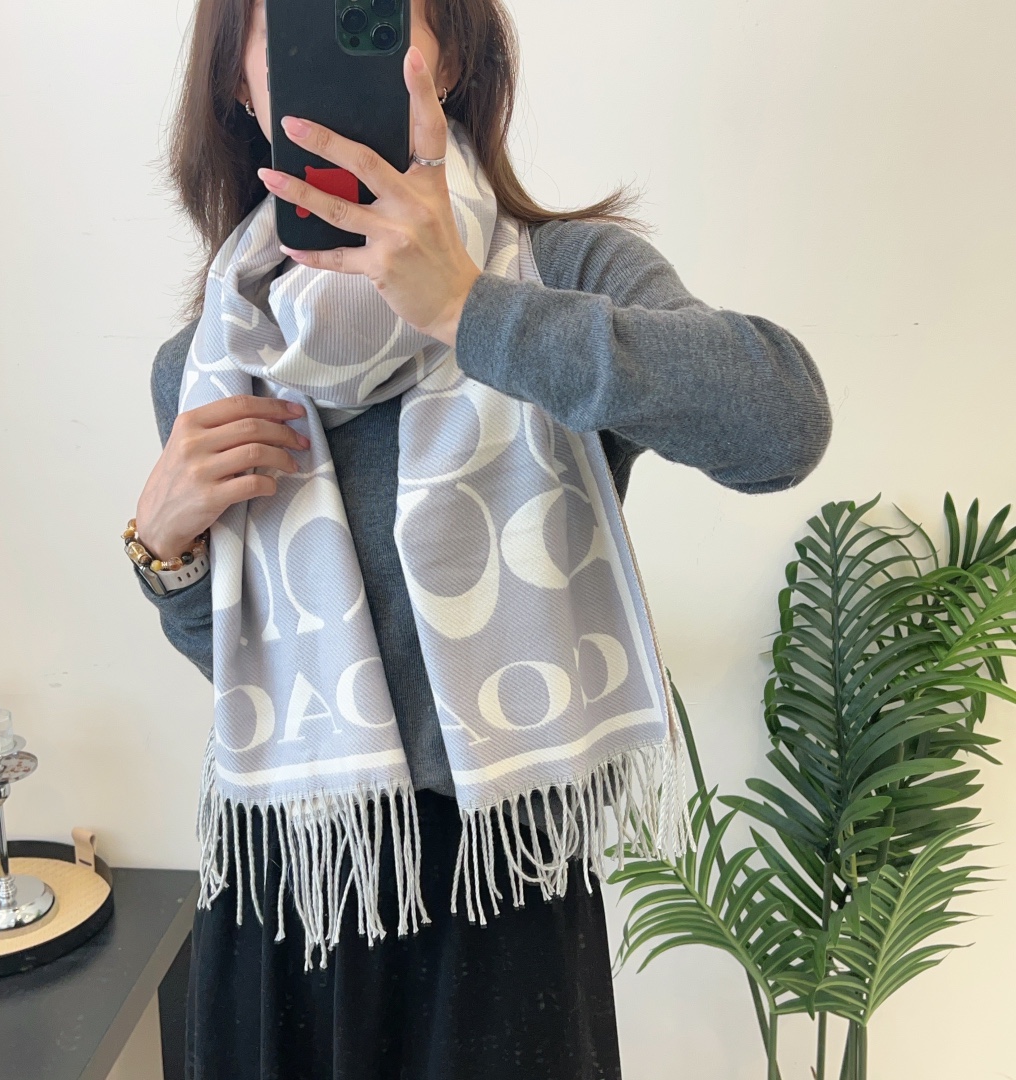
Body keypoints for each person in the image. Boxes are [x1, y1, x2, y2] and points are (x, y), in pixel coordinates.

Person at [129, 0, 832, 1077]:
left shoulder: (562, 274)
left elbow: (782, 427)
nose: (338, 47)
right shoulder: (208, 358)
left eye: (376, 15)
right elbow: (248, 671)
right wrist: (163, 550)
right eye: (292, 20)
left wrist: (470, 309)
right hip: (292, 875)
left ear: (446, 55)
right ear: (239, 81)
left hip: (499, 883)